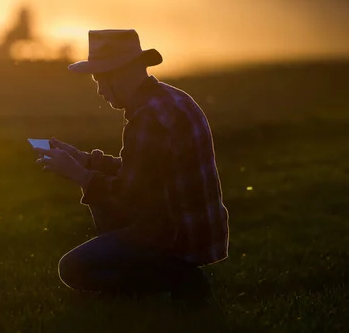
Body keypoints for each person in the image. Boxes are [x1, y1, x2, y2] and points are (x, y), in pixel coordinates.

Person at [34, 29, 229, 300]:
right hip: (194, 231)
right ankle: (164, 274)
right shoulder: (169, 99)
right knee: (100, 197)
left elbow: (130, 195)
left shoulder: (147, 117)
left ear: (119, 74)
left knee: (71, 269)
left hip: (176, 238)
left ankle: (174, 277)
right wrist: (84, 159)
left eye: (100, 80)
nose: (100, 90)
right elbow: (142, 173)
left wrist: (78, 173)